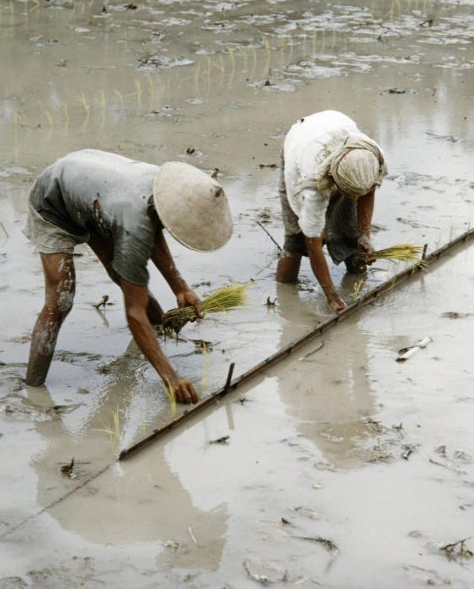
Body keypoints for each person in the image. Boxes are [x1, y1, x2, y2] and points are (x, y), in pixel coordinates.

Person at [23, 148, 233, 404]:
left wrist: (180, 287)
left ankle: (159, 326)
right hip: (53, 201)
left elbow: (152, 229)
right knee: (61, 300)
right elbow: (134, 314)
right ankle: (32, 388)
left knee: (122, 273)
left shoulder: (161, 190)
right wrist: (171, 377)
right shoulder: (134, 220)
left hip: (94, 194)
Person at [275, 110, 387, 312]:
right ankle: (284, 299)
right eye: (349, 191)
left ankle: (354, 268)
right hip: (300, 143)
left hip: (335, 125)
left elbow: (369, 192)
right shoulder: (312, 184)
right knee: (295, 239)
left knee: (350, 231)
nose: (353, 198)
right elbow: (313, 242)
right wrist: (331, 295)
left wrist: (363, 235)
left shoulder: (371, 157)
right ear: (335, 180)